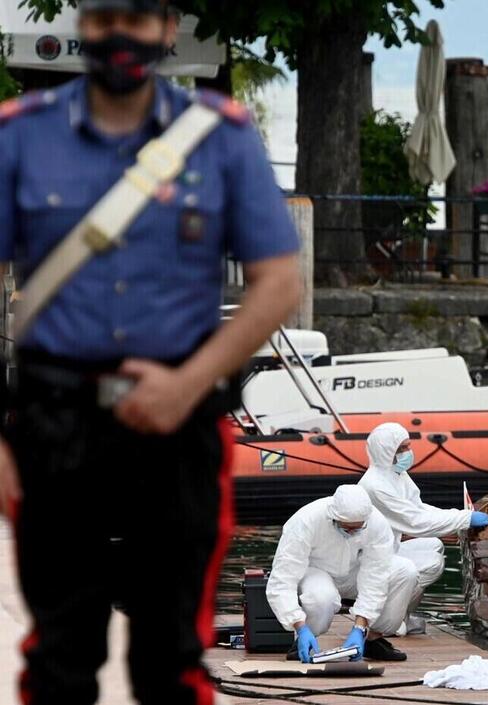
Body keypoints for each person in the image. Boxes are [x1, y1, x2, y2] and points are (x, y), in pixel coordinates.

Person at [0, 1, 301, 703]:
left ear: (167, 29)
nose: (120, 37)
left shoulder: (221, 139)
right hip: (55, 425)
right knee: (58, 656)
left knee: (172, 655)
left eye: (137, 19)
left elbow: (280, 282)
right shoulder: (22, 136)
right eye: (104, 18)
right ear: (84, 28)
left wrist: (188, 382)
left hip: (178, 425)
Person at [359, 422, 488, 634]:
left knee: (434, 545)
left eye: (408, 446)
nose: (408, 453)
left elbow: (417, 507)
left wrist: (458, 515)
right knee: (432, 563)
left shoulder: (396, 475)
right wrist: (464, 519)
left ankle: (404, 615)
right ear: (386, 452)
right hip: (369, 560)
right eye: (401, 448)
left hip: (387, 549)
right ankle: (388, 621)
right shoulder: (375, 485)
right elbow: (415, 522)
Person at [266, 485, 415, 663]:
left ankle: (372, 639)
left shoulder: (377, 523)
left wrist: (360, 627)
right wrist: (298, 624)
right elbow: (283, 578)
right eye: (346, 528)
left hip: (353, 572)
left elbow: (376, 575)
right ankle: (305, 638)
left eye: (357, 528)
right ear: (333, 517)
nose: (352, 532)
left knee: (406, 571)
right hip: (315, 571)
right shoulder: (305, 520)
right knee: (321, 597)